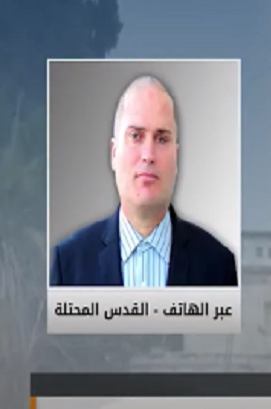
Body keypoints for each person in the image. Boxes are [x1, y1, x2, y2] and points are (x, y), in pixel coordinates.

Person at [50, 75, 238, 287]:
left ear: (176, 157)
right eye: (135, 136)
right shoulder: (69, 265)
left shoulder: (218, 267)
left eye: (161, 139)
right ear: (114, 153)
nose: (148, 155)